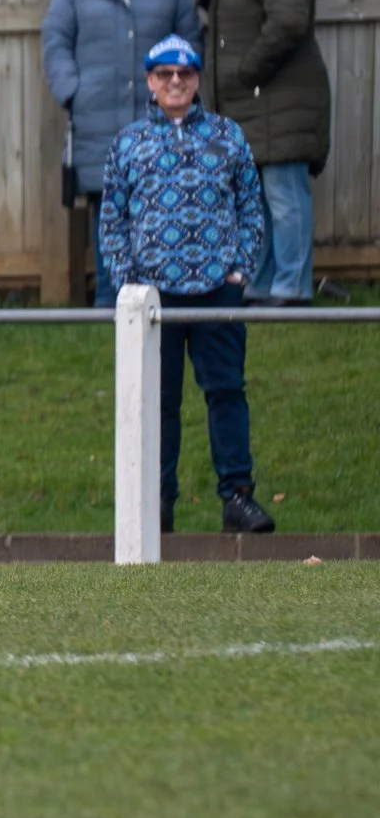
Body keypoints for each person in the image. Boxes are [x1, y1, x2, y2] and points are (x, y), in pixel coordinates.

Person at [99, 35, 273, 534]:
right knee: (157, 401)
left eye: (186, 74)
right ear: (150, 82)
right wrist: (127, 281)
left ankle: (238, 497)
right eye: (164, 74)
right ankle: (157, 504)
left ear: (197, 79)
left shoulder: (227, 135)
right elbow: (111, 218)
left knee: (226, 392)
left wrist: (241, 268)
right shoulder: (128, 142)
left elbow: (249, 206)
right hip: (152, 297)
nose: (176, 82)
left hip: (218, 289)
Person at [39, 0, 201, 304]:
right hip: (97, 116)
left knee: (161, 206)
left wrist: (176, 90)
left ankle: (157, 297)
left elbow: (189, 40)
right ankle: (110, 301)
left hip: (158, 117)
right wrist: (71, 90)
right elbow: (56, 39)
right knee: (108, 208)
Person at [201, 0, 329, 306]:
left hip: (280, 100)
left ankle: (292, 286)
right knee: (257, 200)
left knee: (285, 197)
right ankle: (262, 284)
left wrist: (246, 70)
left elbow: (288, 22)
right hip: (250, 102)